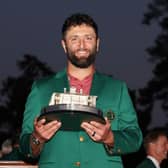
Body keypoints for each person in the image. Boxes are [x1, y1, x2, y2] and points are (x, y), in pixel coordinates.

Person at [20, 13, 142, 168]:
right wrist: (37, 138)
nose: (82, 45)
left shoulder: (117, 88)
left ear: (97, 43)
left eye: (88, 38)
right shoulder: (41, 88)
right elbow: (24, 145)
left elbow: (135, 138)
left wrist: (110, 137)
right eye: (74, 39)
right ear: (64, 45)